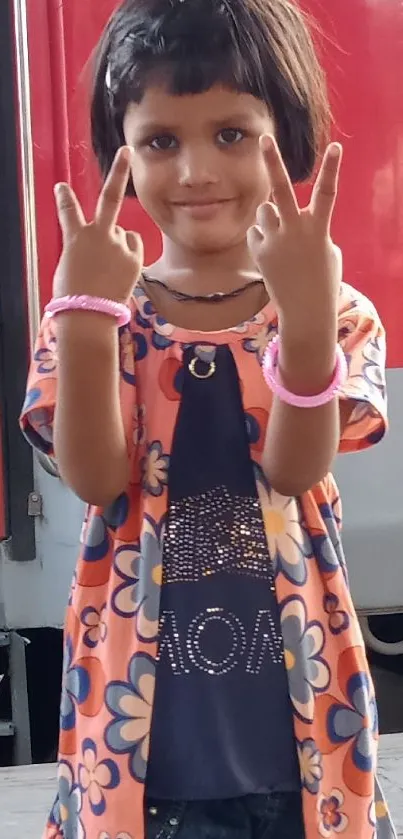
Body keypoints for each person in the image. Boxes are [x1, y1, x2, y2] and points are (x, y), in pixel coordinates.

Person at [20, 1, 396, 837]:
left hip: (301, 745)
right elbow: (94, 478)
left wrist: (301, 323)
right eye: (160, 140)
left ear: (285, 136)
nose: (194, 170)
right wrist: (84, 318)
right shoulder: (96, 314)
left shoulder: (334, 310)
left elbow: (296, 470)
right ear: (121, 150)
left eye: (230, 134)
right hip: (142, 756)